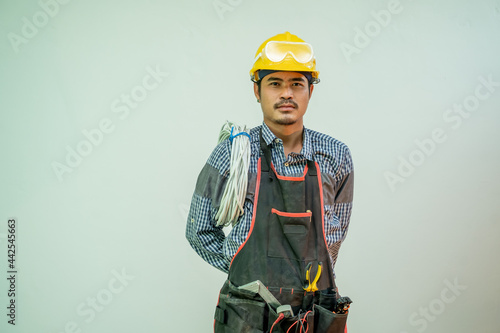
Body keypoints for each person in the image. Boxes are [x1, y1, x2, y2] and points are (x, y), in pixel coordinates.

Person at [186, 31, 354, 332]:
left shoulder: (337, 155)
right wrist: (245, 273)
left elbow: (334, 236)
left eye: (297, 84)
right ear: (257, 90)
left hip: (314, 314)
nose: (286, 93)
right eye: (275, 83)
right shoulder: (233, 153)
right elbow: (199, 230)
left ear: (310, 91)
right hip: (247, 317)